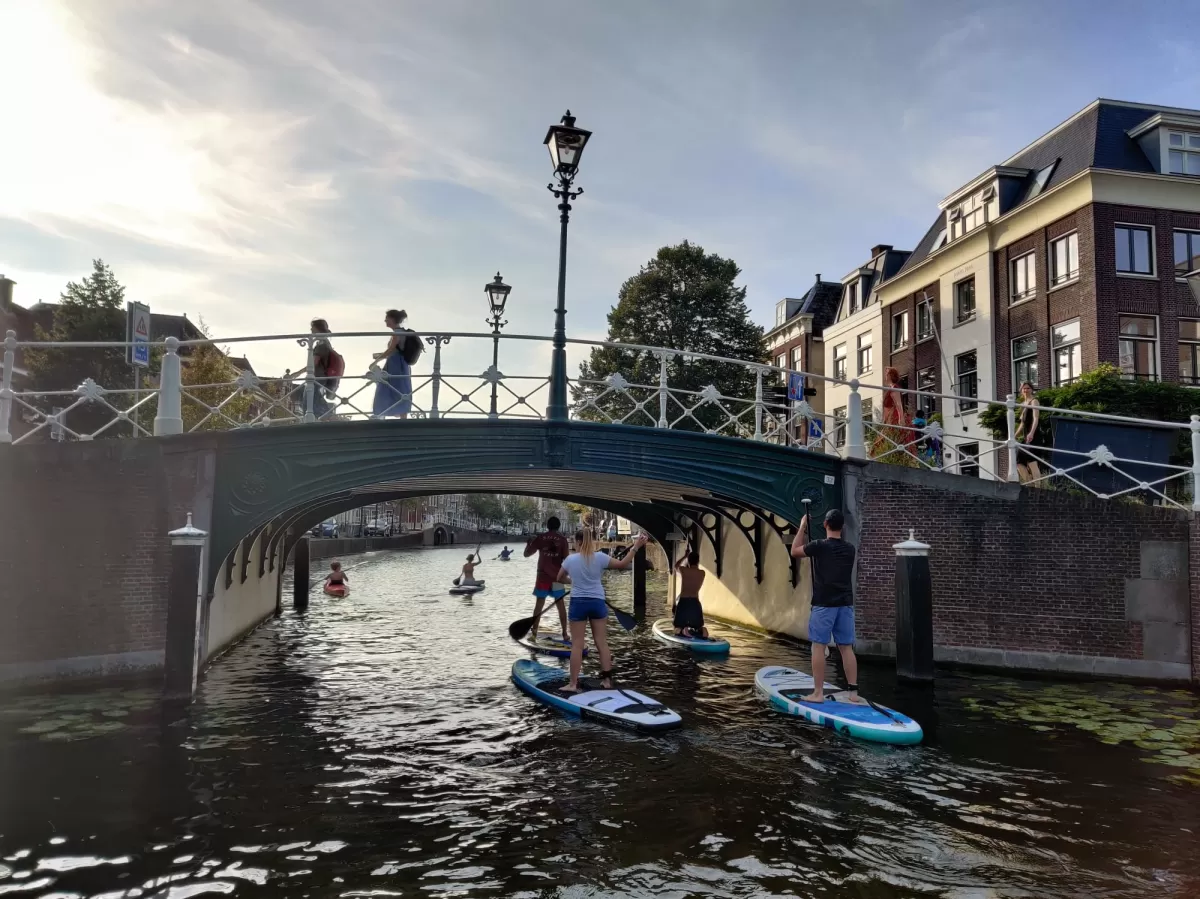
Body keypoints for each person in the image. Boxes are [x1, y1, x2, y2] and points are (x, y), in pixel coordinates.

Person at [557, 529, 649, 693]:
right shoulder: (600, 557)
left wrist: (573, 581)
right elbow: (622, 565)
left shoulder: (570, 560)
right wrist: (636, 546)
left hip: (578, 602)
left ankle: (572, 684)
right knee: (601, 642)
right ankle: (607, 681)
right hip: (597, 602)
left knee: (577, 645)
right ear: (592, 541)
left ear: (577, 542)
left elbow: (559, 578)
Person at [790, 508, 863, 704]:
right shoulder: (850, 549)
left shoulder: (819, 546)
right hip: (845, 604)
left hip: (823, 604)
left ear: (825, 525)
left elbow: (794, 550)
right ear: (843, 527)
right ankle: (853, 693)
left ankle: (818, 693)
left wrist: (803, 526)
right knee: (846, 648)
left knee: (818, 647)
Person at [524, 517, 570, 642]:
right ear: (559, 526)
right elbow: (567, 560)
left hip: (542, 577)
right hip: (557, 578)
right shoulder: (563, 540)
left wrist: (528, 544)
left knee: (539, 604)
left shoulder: (540, 538)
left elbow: (526, 554)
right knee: (560, 604)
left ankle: (534, 633)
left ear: (547, 526)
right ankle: (565, 634)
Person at [372, 309, 412, 419]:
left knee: (392, 386)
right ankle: (402, 415)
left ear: (393, 319)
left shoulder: (396, 333)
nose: (385, 320)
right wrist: (379, 355)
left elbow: (391, 350)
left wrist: (375, 362)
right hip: (400, 363)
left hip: (395, 364)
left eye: (387, 318)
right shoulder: (401, 332)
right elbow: (395, 350)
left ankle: (386, 415)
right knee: (400, 387)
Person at [673, 548, 708, 638]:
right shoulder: (702, 573)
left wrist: (685, 556)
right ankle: (703, 630)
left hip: (684, 601)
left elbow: (676, 566)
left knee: (677, 627)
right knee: (698, 625)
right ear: (698, 561)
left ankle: (683, 630)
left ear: (688, 561)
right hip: (695, 602)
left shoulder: (684, 570)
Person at [1015, 381, 1042, 484]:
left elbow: (1036, 418)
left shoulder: (1034, 401)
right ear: (1021, 390)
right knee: (1018, 462)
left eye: (1028, 388)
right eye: (1024, 388)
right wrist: (1013, 436)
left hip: (1034, 436)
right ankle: (1029, 484)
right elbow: (1022, 424)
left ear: (1032, 390)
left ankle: (1038, 488)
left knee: (1032, 462)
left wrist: (1031, 433)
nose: (1026, 390)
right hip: (1026, 438)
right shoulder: (1023, 404)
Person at [310, 319, 335, 420]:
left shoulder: (322, 344)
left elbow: (313, 363)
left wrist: (296, 373)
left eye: (312, 328)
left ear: (317, 329)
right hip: (320, 376)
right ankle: (322, 419)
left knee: (311, 399)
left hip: (318, 376)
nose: (311, 330)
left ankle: (331, 418)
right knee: (314, 399)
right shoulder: (323, 342)